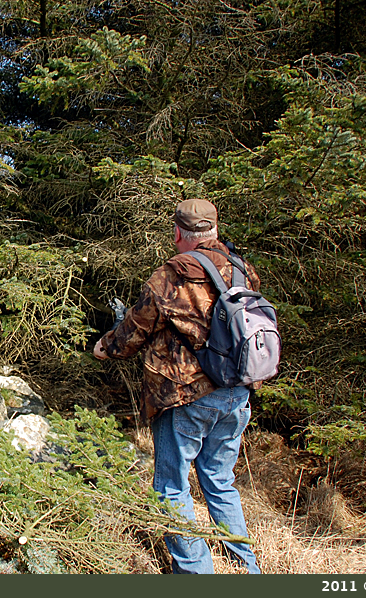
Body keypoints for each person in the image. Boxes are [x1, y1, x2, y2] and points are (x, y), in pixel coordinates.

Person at [93, 198, 261, 574]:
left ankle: (195, 572)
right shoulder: (242, 270)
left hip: (184, 395)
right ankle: (246, 568)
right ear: (214, 230)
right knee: (219, 481)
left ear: (178, 233)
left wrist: (105, 346)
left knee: (171, 486)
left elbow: (134, 331)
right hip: (236, 391)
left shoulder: (171, 276)